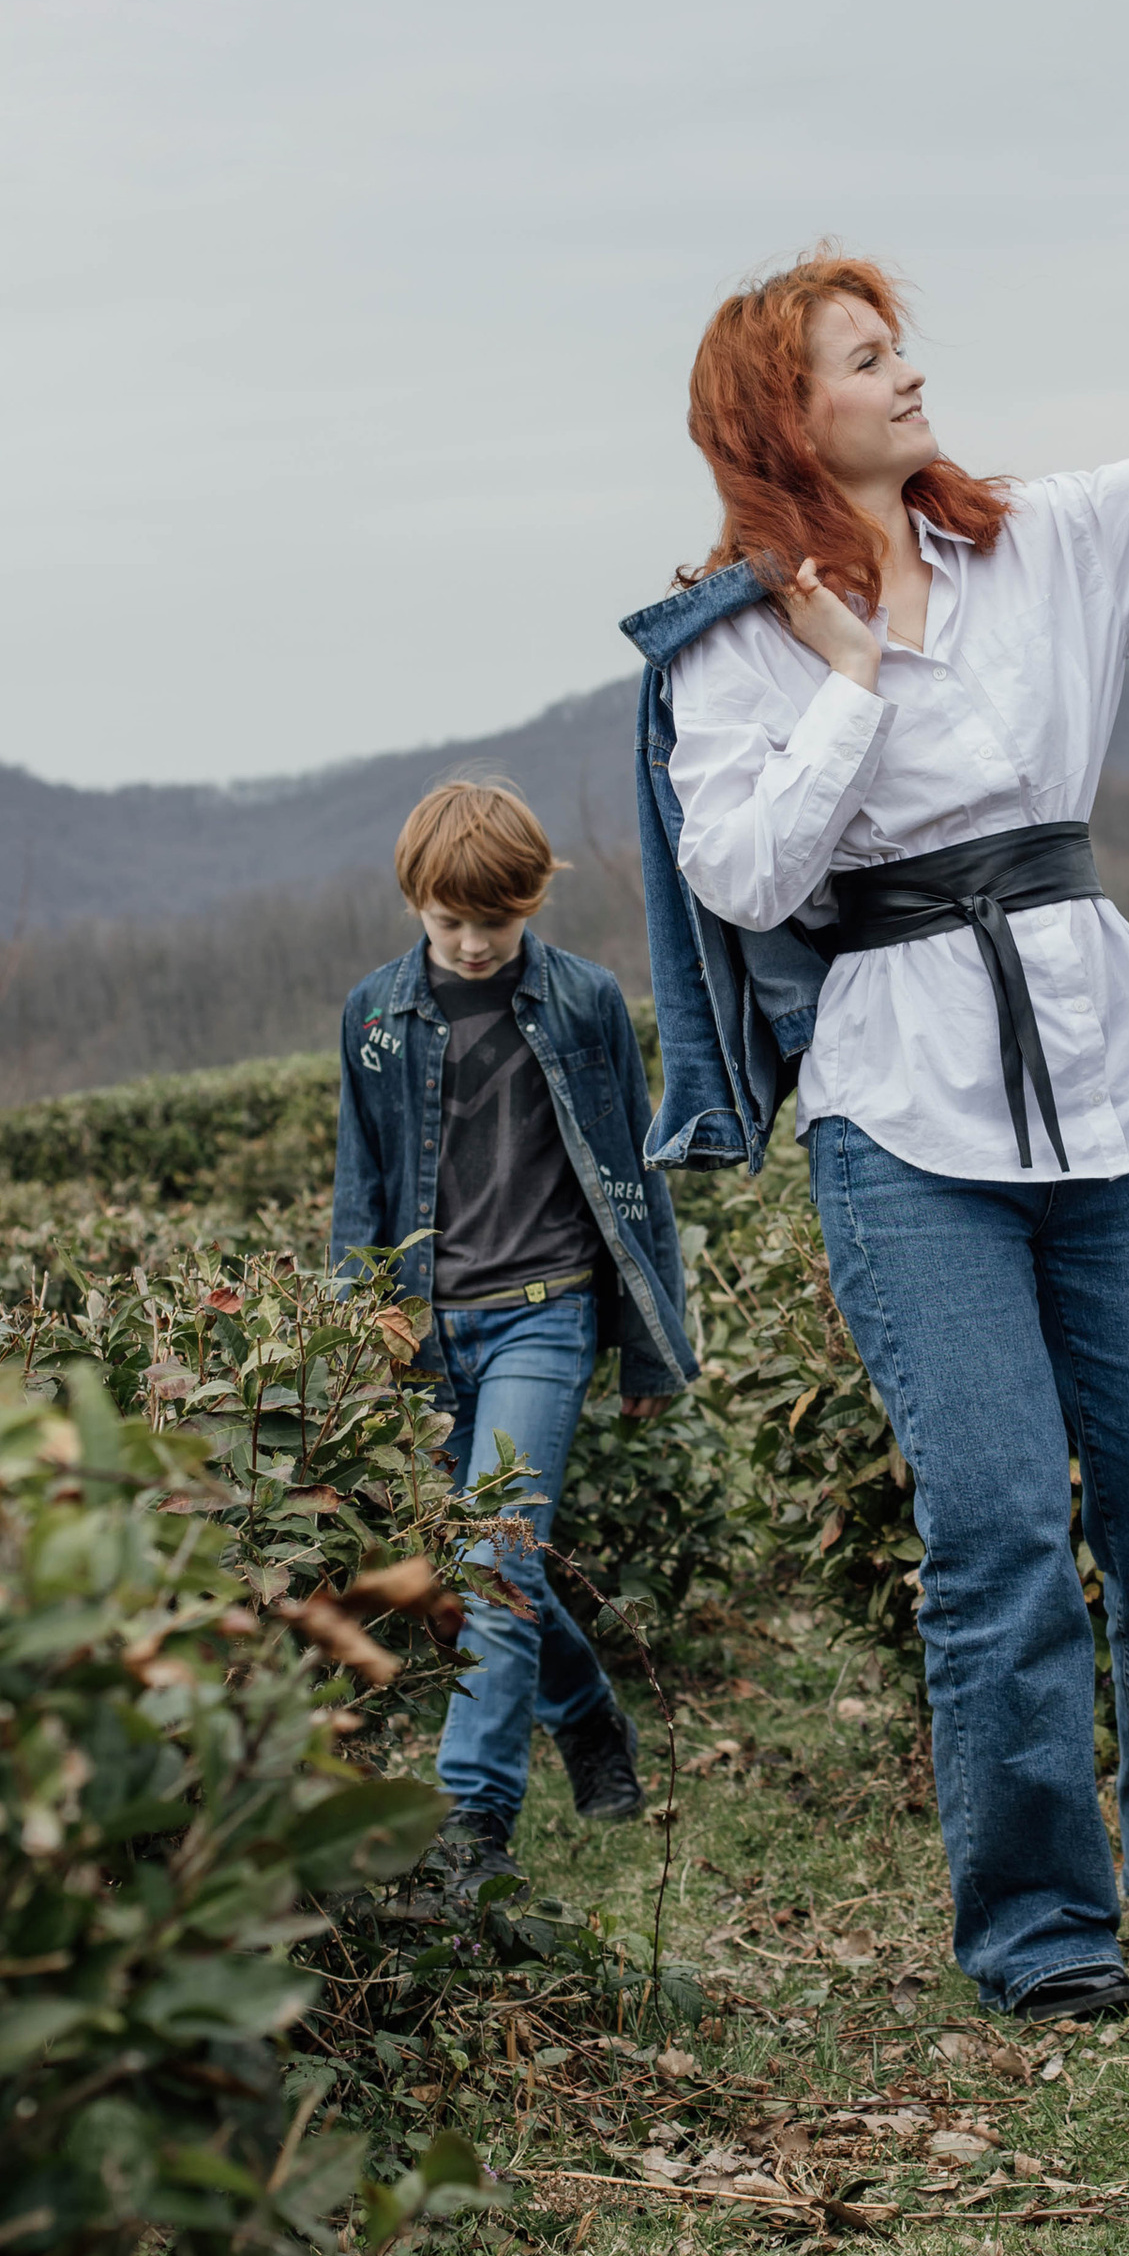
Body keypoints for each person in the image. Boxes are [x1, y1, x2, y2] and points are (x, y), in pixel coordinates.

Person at [621, 248, 1129, 2025]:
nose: (910, 377)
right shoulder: (733, 643)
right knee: (1001, 1519)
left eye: (899, 348)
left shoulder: (1039, 547)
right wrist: (852, 682)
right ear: (785, 418)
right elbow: (743, 876)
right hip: (906, 1116)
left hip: (1105, 1077)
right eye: (867, 360)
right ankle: (1036, 1918)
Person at [330, 779, 695, 1892]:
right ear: (416, 902)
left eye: (497, 920)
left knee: (492, 1564)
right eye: (451, 922)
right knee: (479, 1563)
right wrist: (353, 1349)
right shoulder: (374, 1018)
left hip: (547, 1315)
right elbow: (361, 1191)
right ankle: (584, 1715)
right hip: (427, 1336)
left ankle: (470, 1825)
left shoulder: (584, 1001)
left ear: (533, 901)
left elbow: (633, 1179)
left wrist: (651, 1344)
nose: (475, 943)